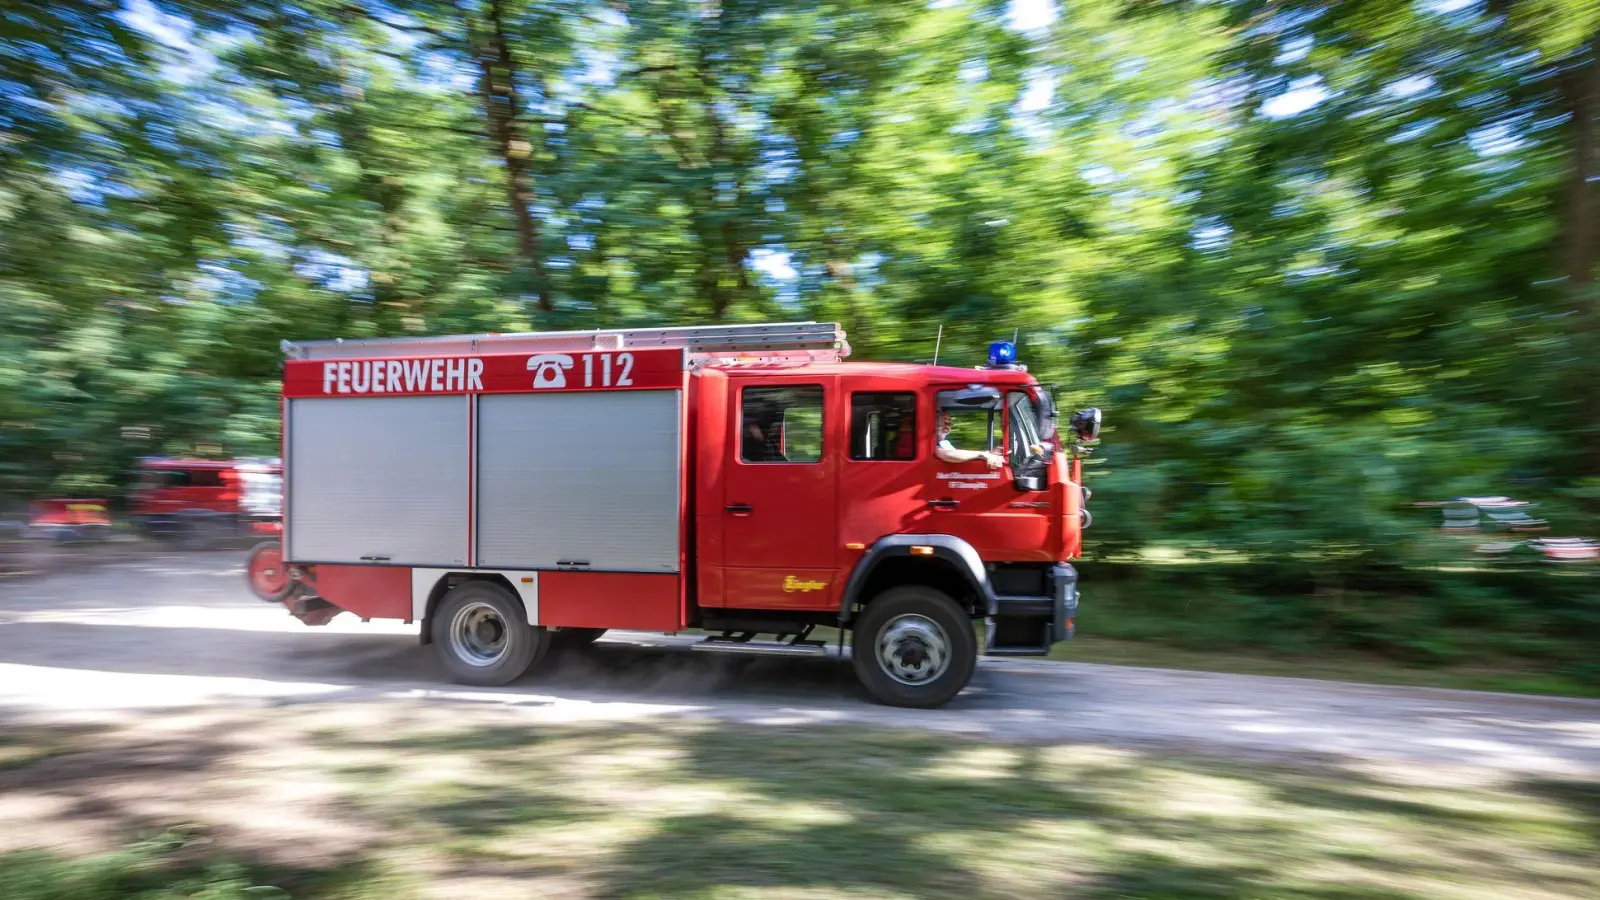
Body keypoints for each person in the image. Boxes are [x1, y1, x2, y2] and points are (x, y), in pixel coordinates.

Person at [935, 412, 1004, 469]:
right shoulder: (933, 443)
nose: (948, 426)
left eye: (949, 424)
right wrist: (980, 454)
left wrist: (989, 453)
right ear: (935, 424)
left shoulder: (945, 443)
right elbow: (947, 455)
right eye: (945, 423)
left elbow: (959, 456)